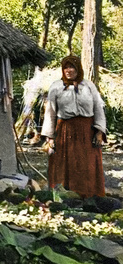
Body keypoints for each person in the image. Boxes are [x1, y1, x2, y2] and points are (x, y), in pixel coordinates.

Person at [41, 54, 106, 198]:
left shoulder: (88, 86)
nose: (68, 70)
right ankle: (64, 197)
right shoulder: (56, 87)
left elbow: (98, 108)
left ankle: (88, 196)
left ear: (78, 69)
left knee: (86, 163)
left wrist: (99, 131)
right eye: (65, 68)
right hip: (65, 130)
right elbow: (50, 112)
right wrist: (49, 137)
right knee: (64, 164)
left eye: (72, 67)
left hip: (86, 131)